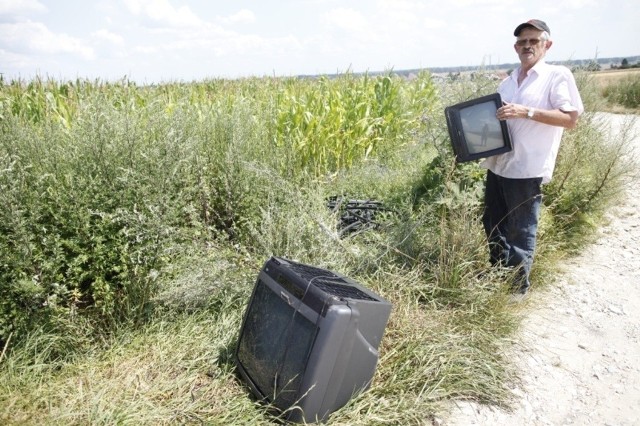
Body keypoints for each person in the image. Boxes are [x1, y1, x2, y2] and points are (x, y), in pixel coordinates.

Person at [481, 19, 584, 298]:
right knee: (492, 223)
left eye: (533, 41)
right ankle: (498, 274)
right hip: (499, 164)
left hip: (527, 168)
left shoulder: (556, 76)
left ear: (546, 45)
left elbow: (570, 119)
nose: (527, 46)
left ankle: (516, 290)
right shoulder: (508, 81)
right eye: (522, 42)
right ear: (516, 47)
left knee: (521, 229)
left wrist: (526, 112)